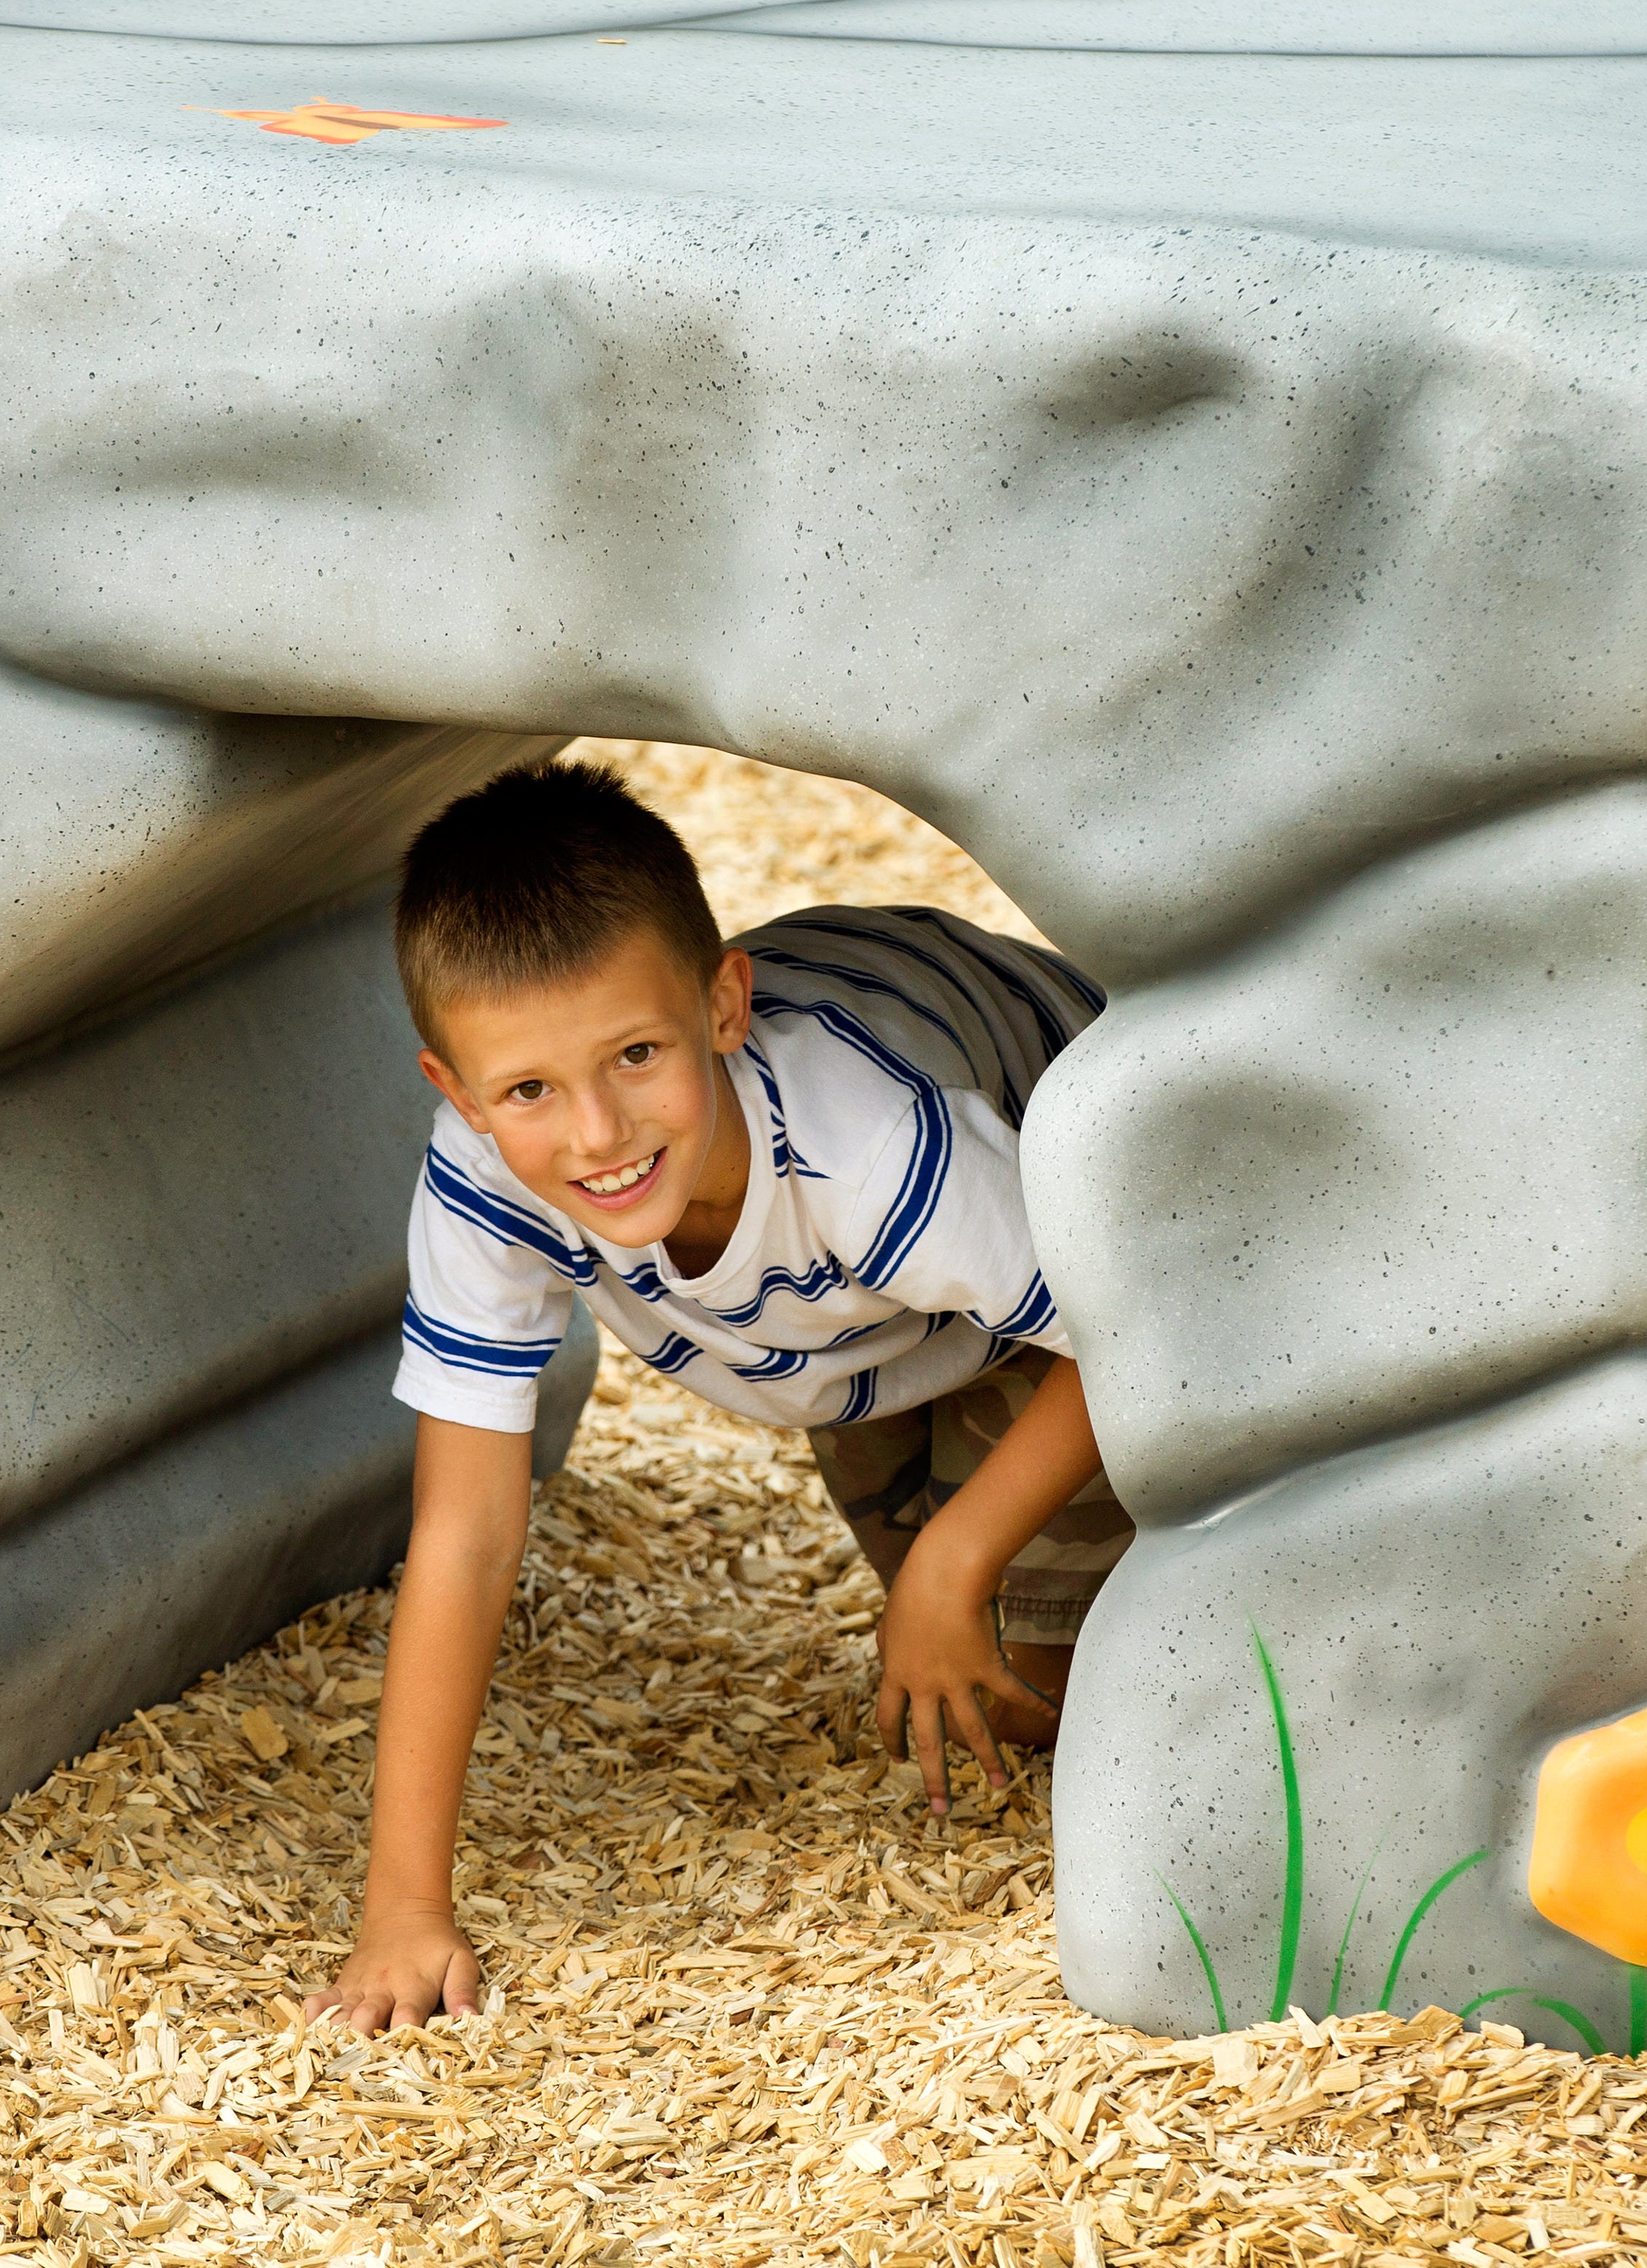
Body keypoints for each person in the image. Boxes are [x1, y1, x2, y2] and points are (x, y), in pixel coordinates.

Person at [317, 762, 1123, 2029]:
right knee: (958, 1674)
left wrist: (954, 1562)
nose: (596, 1133)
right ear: (459, 1095)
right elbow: (465, 1532)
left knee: (1031, 1691)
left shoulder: (869, 1142)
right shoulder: (488, 1177)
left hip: (1079, 1230)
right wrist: (404, 1910)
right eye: (528, 1090)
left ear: (723, 1007)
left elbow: (1133, 1332)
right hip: (860, 1343)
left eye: (637, 1055)